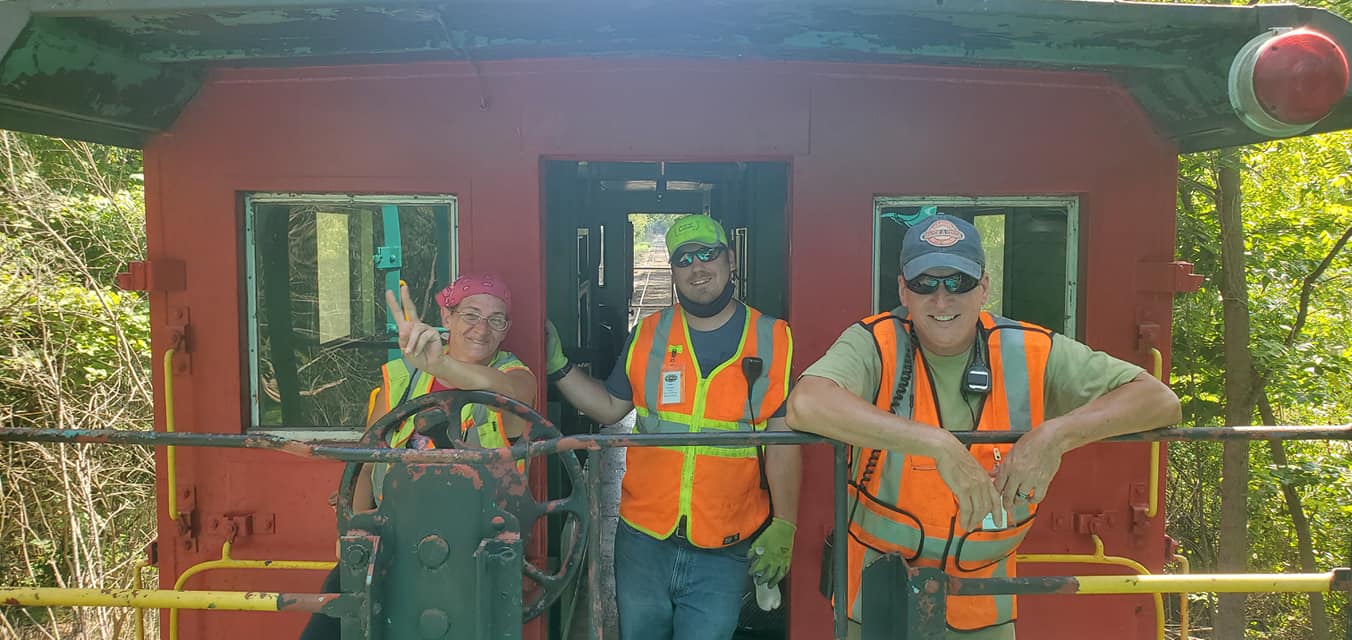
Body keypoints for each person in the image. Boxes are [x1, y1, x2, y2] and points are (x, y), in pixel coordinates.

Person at [785, 214, 1181, 639]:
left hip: (983, 606)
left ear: (984, 288)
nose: (941, 300)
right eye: (924, 284)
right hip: (880, 602)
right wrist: (936, 444)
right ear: (902, 289)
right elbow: (807, 404)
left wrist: (1054, 435)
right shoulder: (873, 342)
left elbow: (1159, 400)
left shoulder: (1029, 348)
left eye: (958, 282)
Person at [544, 214, 802, 640]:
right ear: (674, 272)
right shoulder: (648, 333)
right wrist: (559, 366)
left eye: (708, 254)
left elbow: (783, 442)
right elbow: (609, 407)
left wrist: (786, 523)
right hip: (644, 538)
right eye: (684, 259)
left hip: (727, 540)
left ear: (731, 259)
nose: (697, 267)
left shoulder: (775, 338)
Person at [298, 272, 535, 640]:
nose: (482, 329)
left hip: (478, 552)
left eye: (495, 320)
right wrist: (353, 535)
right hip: (395, 539)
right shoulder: (403, 378)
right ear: (447, 319)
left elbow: (513, 396)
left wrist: (443, 367)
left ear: (506, 330)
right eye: (471, 315)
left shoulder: (515, 376)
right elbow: (367, 458)